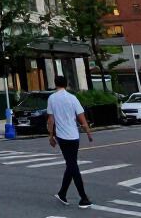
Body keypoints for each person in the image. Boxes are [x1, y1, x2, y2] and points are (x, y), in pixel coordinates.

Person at [47, 75, 93, 208]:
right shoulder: (72, 98)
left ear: (55, 84)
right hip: (73, 135)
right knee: (72, 164)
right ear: (66, 84)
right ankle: (82, 197)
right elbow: (81, 116)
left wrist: (51, 136)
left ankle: (64, 193)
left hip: (61, 136)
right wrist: (88, 131)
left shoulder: (52, 98)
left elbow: (51, 119)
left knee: (71, 164)